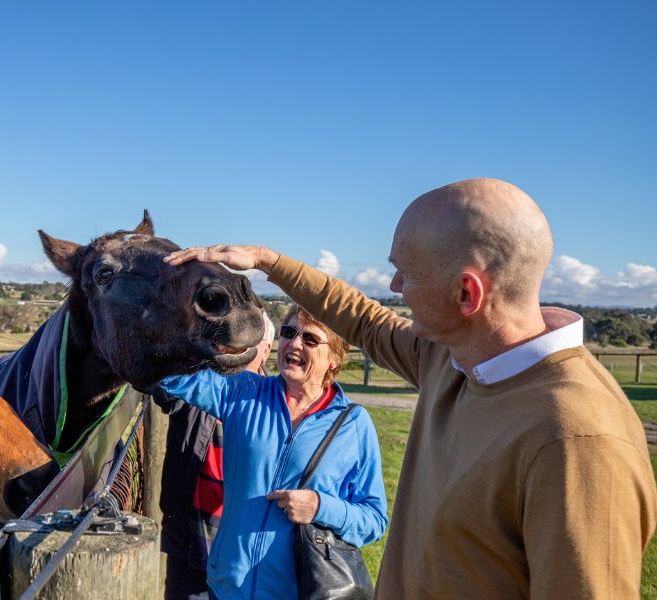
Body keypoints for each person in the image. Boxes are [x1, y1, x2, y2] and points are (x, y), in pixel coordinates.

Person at [163, 178, 657, 599]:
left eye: (407, 271)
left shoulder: (579, 441)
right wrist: (269, 261)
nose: (394, 286)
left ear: (467, 293)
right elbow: (361, 317)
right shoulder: (456, 358)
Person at [156, 306, 388, 600]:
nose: (294, 343)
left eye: (310, 339)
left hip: (296, 593)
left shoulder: (354, 424)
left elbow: (374, 519)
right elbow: (173, 376)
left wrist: (320, 506)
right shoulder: (244, 391)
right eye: (288, 332)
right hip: (226, 588)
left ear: (334, 359)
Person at [156, 310, 275, 600]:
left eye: (249, 338)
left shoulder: (278, 407)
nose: (238, 346)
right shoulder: (201, 384)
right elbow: (161, 381)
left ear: (267, 348)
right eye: (232, 337)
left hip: (245, 554)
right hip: (191, 540)